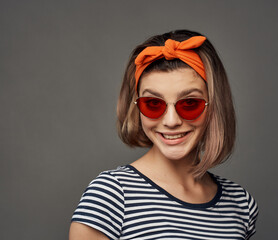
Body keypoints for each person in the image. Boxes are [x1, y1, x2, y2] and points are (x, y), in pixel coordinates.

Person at [69, 29, 259, 240]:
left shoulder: (241, 204)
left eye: (189, 103)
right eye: (153, 104)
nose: (171, 121)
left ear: (214, 106)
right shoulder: (110, 196)